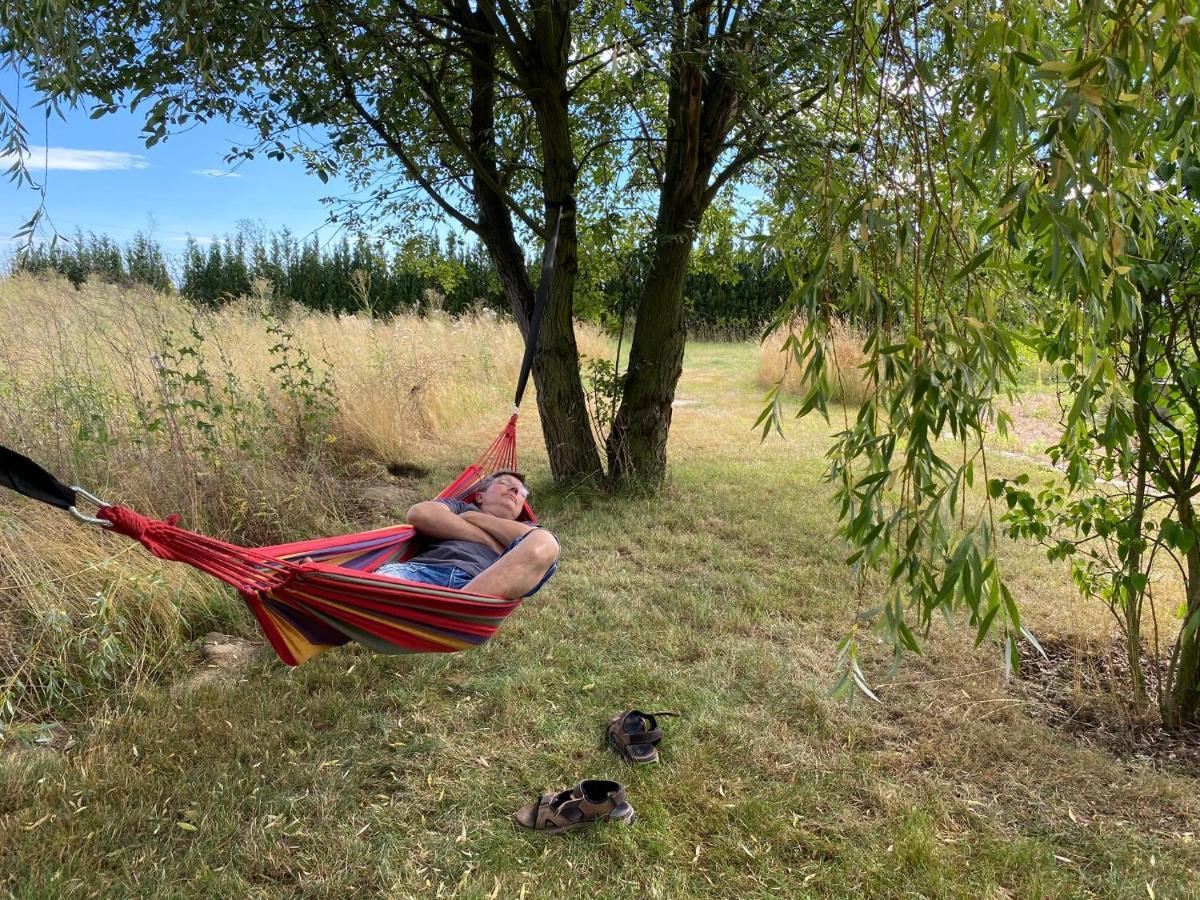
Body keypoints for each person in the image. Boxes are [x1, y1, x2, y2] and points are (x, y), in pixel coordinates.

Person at [374, 469, 559, 599]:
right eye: (505, 483)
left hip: (483, 589)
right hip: (423, 573)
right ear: (480, 496)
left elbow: (542, 548)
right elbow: (419, 513)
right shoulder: (460, 507)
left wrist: (472, 518)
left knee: (547, 542)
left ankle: (456, 608)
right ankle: (449, 614)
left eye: (521, 492)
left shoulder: (526, 528)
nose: (514, 490)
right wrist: (491, 541)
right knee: (372, 590)